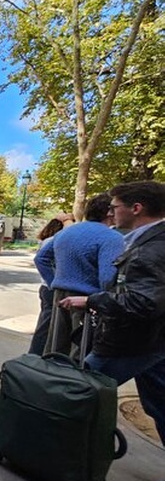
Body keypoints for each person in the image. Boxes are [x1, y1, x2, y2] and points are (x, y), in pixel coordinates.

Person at [59, 181, 165, 443]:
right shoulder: (147, 241)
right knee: (159, 406)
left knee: (78, 390)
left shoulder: (149, 249)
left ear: (136, 208)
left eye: (116, 207)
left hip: (132, 341)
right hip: (152, 340)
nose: (112, 212)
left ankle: (57, 452)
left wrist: (93, 300)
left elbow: (141, 301)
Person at [34, 193, 123, 358]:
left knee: (56, 346)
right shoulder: (112, 237)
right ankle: (74, 382)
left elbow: (41, 258)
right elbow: (107, 278)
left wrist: (54, 282)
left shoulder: (65, 233)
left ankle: (50, 379)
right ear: (109, 212)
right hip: (87, 300)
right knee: (81, 351)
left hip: (60, 295)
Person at [28, 218, 66, 355]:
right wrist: (53, 283)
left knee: (45, 324)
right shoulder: (55, 241)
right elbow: (41, 260)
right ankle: (36, 355)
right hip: (51, 287)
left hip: (45, 286)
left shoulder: (46, 240)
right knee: (47, 326)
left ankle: (36, 355)